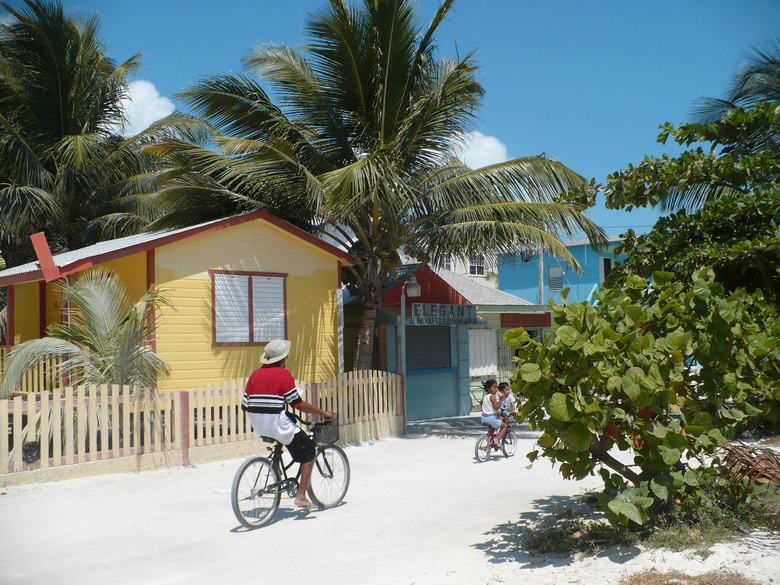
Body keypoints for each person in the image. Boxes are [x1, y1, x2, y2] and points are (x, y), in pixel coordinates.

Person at [241, 339, 333, 508]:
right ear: (282, 359)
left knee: (279, 444)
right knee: (309, 449)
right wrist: (321, 412)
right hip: (277, 425)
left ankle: (276, 476)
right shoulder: (283, 375)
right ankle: (301, 496)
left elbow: (244, 405)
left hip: (260, 426)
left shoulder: (254, 375)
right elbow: (298, 404)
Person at [480, 379, 507, 447]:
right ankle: (497, 441)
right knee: (504, 426)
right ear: (488, 389)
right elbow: (496, 407)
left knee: (493, 427)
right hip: (491, 418)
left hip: (484, 417)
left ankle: (489, 439)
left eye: (496, 387)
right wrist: (501, 399)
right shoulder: (492, 396)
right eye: (494, 388)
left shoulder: (485, 396)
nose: (496, 389)